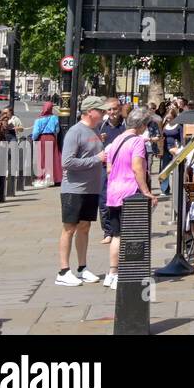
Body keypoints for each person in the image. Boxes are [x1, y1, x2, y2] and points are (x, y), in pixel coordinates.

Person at [102, 107, 158, 290]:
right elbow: (137, 168)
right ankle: (129, 273)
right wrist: (147, 191)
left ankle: (112, 274)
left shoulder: (116, 140)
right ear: (141, 125)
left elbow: (109, 168)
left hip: (112, 192)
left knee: (116, 235)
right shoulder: (137, 142)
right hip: (130, 193)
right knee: (132, 234)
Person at [56, 97, 108, 286]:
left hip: (91, 188)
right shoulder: (75, 132)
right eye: (100, 111)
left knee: (85, 227)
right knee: (69, 228)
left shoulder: (94, 131)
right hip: (74, 189)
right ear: (89, 112)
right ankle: (63, 271)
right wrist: (97, 159)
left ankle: (82, 267)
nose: (103, 113)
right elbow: (67, 162)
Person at [95, 97, 123, 242]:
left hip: (122, 169)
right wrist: (98, 139)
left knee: (122, 200)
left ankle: (120, 230)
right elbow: (90, 146)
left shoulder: (126, 125)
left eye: (115, 109)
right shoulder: (100, 126)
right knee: (103, 200)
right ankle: (108, 232)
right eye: (109, 109)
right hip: (104, 168)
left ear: (120, 108)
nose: (112, 112)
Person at [30, 103, 60, 187]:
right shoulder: (54, 118)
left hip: (42, 138)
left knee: (42, 158)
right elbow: (57, 130)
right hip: (52, 138)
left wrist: (33, 138)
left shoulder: (39, 119)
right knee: (52, 158)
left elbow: (36, 132)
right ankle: (52, 177)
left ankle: (42, 178)